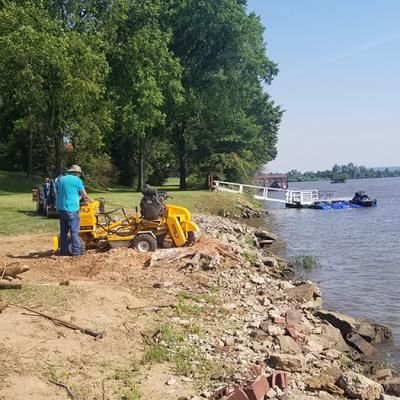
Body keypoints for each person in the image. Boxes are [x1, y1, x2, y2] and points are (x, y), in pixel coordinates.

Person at [56, 165, 88, 256]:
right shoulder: (77, 180)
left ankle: (63, 252)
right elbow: (84, 194)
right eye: (79, 173)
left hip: (61, 208)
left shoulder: (61, 179)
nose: (79, 175)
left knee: (63, 232)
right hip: (72, 208)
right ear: (76, 173)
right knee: (74, 231)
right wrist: (84, 198)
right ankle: (76, 253)